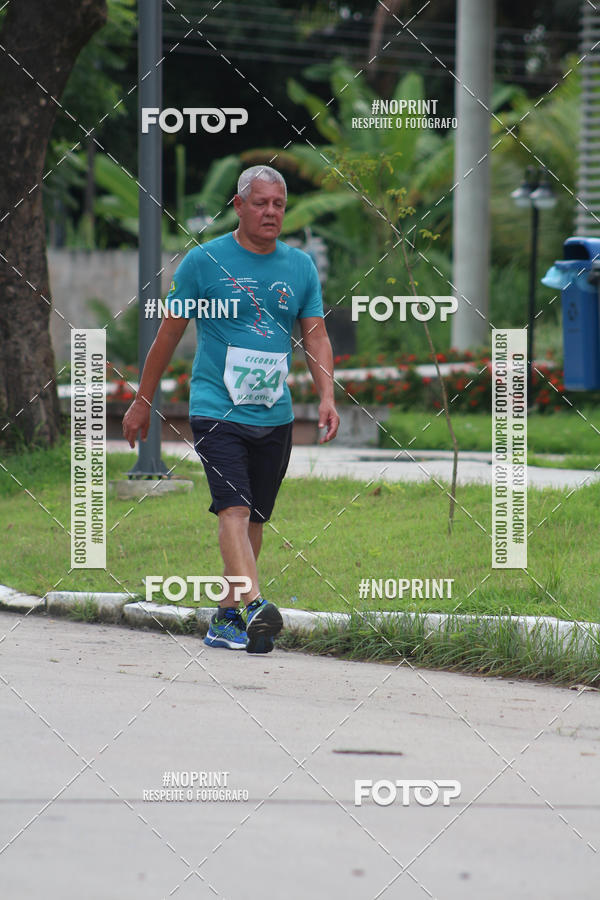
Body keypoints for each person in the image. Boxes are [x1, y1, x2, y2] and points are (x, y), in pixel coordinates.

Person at [123, 165, 339, 654]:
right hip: (216, 408)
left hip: (274, 414)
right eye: (260, 203)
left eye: (279, 204)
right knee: (233, 509)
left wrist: (327, 396)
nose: (271, 212)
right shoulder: (203, 263)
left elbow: (316, 336)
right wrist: (143, 400)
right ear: (239, 205)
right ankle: (256, 605)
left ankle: (226, 617)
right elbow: (168, 335)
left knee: (254, 519)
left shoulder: (300, 267)